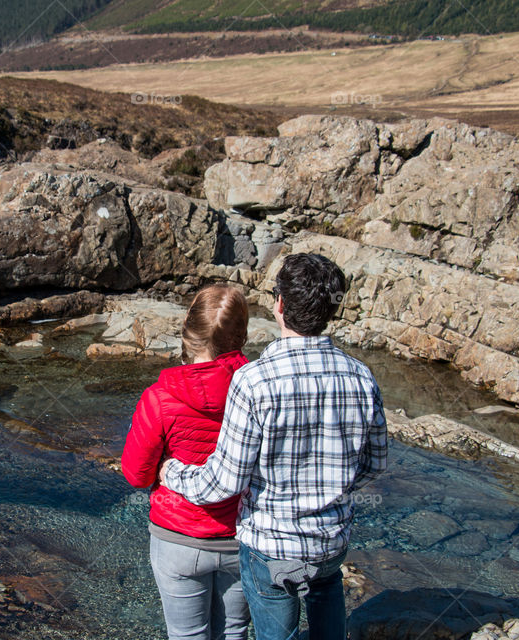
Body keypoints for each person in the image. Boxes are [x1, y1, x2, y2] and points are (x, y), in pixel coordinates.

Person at [159, 253, 387, 640]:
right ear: (331, 311)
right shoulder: (361, 377)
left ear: (279, 306)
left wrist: (173, 473)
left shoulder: (254, 381)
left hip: (271, 545)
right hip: (331, 542)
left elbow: (224, 482)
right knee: (328, 612)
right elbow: (374, 464)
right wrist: (332, 488)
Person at [122, 283, 253, 640]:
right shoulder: (259, 389)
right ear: (242, 335)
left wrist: (166, 466)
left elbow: (135, 474)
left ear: (187, 332)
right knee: (234, 632)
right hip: (241, 534)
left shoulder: (159, 397)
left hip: (178, 536)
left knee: (187, 635)